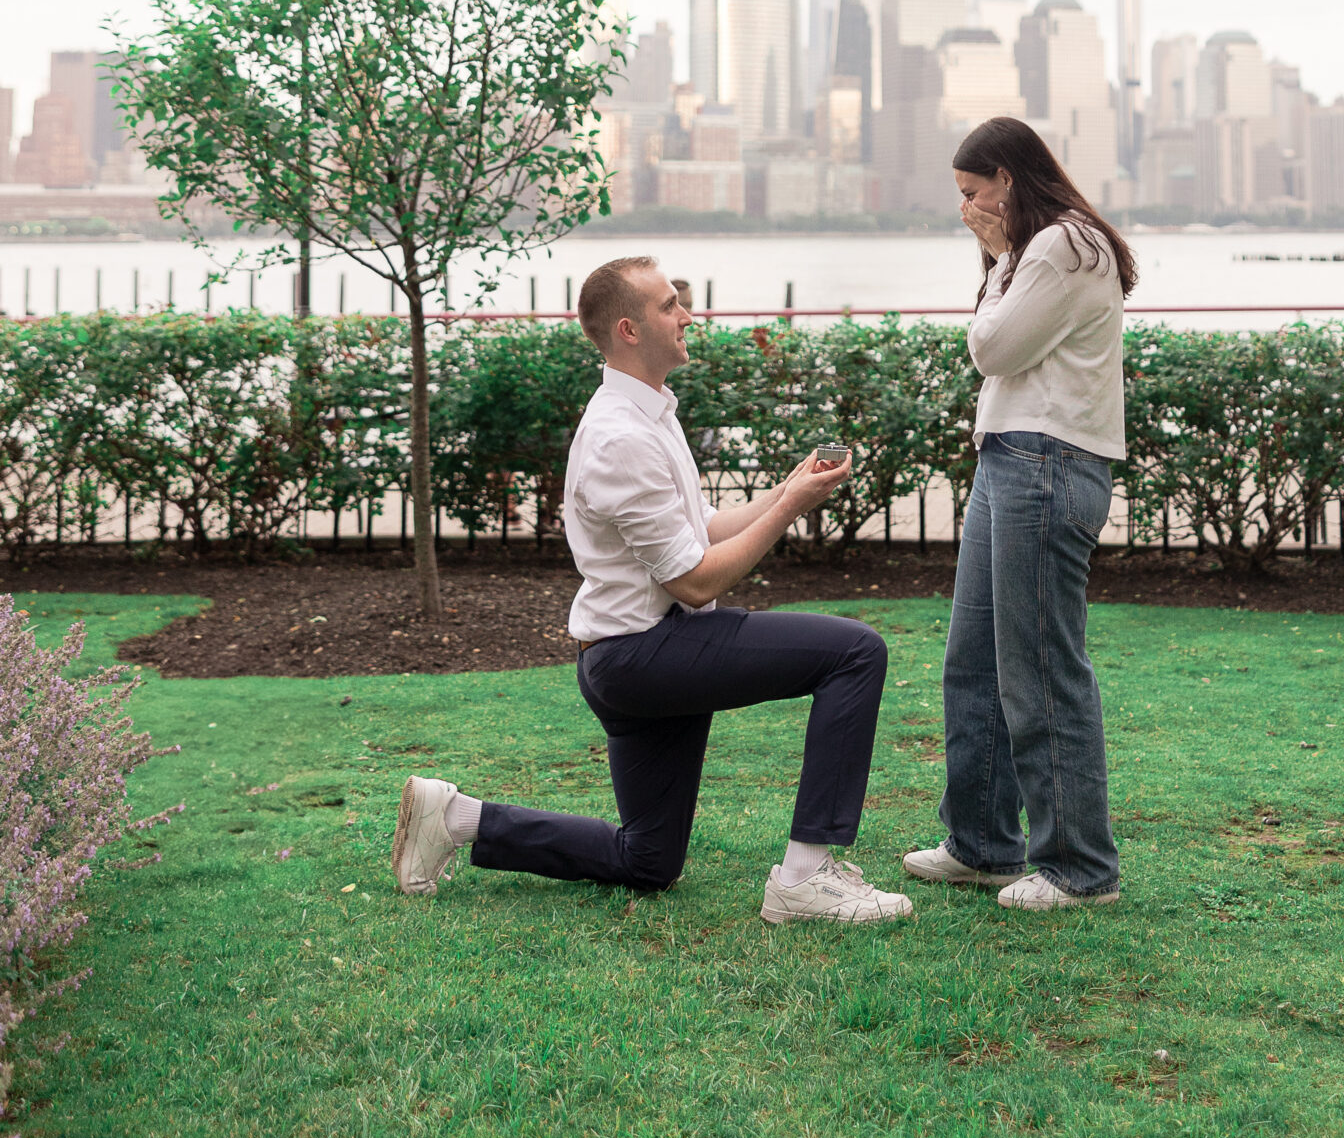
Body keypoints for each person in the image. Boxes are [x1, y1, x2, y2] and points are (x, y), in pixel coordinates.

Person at [392, 256, 913, 926]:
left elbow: (697, 533)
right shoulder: (619, 436)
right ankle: (807, 875)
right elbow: (695, 582)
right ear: (630, 329)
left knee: (649, 860)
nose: (688, 316)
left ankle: (455, 817)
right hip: (645, 654)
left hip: (632, 655)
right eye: (671, 306)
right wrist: (788, 511)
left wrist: (787, 490)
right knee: (853, 651)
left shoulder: (647, 414)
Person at [905, 115, 1134, 910]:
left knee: (1041, 670)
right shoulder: (1040, 248)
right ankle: (981, 844)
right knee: (973, 665)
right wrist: (1002, 257)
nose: (967, 207)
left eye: (973, 192)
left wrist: (1001, 256)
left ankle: (1079, 868)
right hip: (1011, 456)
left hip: (1047, 462)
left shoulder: (1064, 245)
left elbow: (993, 350)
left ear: (1006, 177)